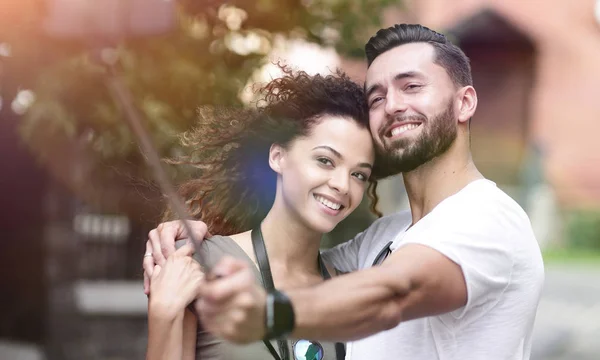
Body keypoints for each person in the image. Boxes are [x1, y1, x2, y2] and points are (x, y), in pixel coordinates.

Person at [145, 24, 545, 360]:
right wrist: (182, 238)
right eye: (377, 96)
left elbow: (393, 294)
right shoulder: (384, 238)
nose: (392, 105)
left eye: (411, 85)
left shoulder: (489, 218)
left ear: (465, 102)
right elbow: (291, 257)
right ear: (277, 156)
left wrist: (269, 314)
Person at [146, 67, 380, 360]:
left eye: (359, 175)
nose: (342, 185)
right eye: (325, 160)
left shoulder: (348, 293)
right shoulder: (200, 263)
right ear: (278, 156)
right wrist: (163, 314)